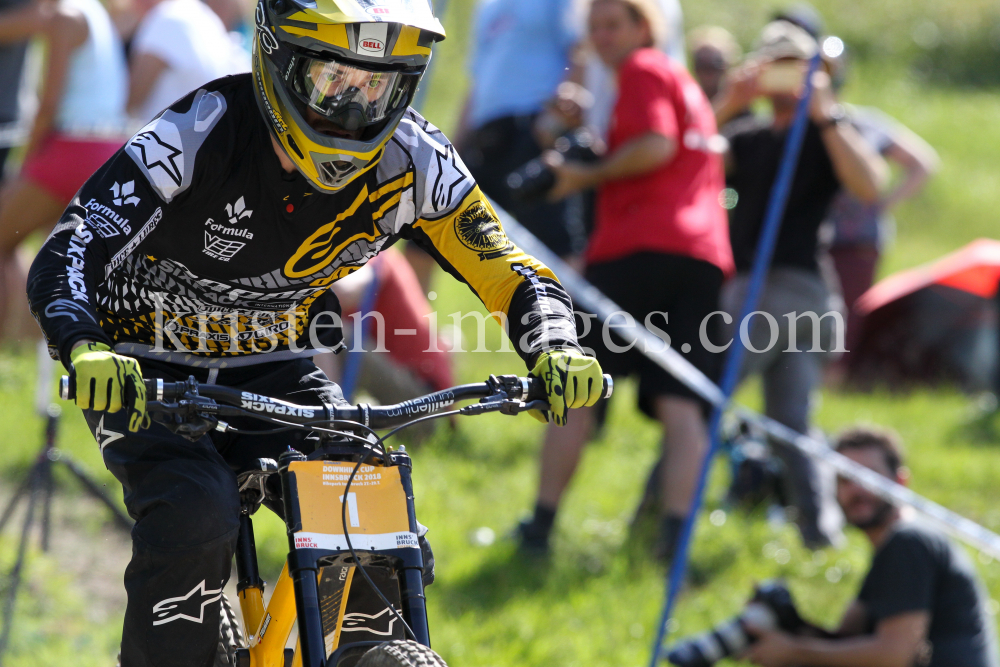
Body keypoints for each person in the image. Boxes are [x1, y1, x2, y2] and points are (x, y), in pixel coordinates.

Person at [25, 2, 604, 663]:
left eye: (377, 87)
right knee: (195, 514)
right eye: (334, 82)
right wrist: (84, 343)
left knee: (378, 523)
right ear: (279, 60)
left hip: (272, 362)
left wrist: (556, 340)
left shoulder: (416, 160)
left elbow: (506, 267)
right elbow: (75, 242)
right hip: (145, 367)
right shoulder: (202, 127)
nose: (354, 109)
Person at [515, 0, 734, 559]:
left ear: (644, 26)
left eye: (614, 24)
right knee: (683, 406)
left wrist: (585, 176)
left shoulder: (643, 69)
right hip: (703, 256)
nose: (603, 36)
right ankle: (672, 542)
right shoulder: (680, 82)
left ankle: (539, 527)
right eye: (595, 28)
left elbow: (655, 146)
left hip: (636, 247)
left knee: (576, 390)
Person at [714, 20, 888, 548]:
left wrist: (826, 112)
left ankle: (657, 521)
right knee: (786, 420)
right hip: (763, 284)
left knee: (705, 397)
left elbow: (870, 185)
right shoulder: (744, 135)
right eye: (776, 64)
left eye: (797, 64)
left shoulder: (827, 131)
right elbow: (689, 156)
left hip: (794, 289)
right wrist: (728, 101)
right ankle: (820, 537)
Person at [745, 426, 999, 667]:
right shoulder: (892, 549)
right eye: (846, 479)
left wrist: (793, 650)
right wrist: (784, 622)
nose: (857, 488)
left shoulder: (909, 541)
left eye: (869, 476)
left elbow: (892, 656)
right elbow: (845, 638)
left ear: (900, 481)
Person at [0, 0, 128, 339]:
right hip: (105, 150)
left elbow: (50, 103)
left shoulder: (64, 16)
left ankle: (8, 346)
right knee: (52, 254)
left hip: (71, 147)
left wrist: (27, 160)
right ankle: (28, 348)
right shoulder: (94, 11)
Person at [820, 42, 939, 366]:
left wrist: (884, 203)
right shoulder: (798, 128)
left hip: (857, 240)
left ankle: (835, 381)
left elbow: (922, 163)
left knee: (843, 326)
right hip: (813, 240)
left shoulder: (864, 123)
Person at [126, 0, 249, 126]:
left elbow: (128, 102)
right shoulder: (204, 16)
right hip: (208, 136)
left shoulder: (166, 18)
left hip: (176, 140)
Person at [688, 25, 741, 104]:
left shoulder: (740, 105)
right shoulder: (686, 101)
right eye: (702, 65)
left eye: (715, 65)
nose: (707, 73)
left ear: (727, 67)